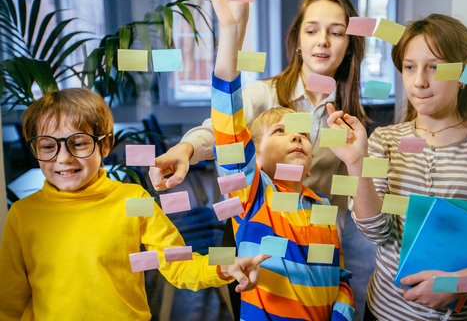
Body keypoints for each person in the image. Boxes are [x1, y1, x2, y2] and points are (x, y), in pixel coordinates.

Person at [327, 14, 467, 320]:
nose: (420, 81)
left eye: (434, 67)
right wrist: (356, 163)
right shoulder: (385, 140)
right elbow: (376, 231)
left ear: (463, 73)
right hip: (387, 312)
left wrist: (458, 284)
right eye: (409, 67)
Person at [0, 87, 269, 320]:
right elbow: (10, 301)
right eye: (47, 147)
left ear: (105, 146)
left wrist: (224, 266)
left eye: (78, 144)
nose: (63, 158)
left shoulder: (133, 200)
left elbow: (178, 263)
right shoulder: (24, 214)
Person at [148, 0, 368, 235]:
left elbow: (340, 196)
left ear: (348, 46)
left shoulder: (349, 119)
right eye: (311, 30)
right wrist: (184, 150)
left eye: (336, 33)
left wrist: (330, 254)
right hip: (255, 239)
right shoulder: (266, 94)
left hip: (312, 247)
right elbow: (219, 129)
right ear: (298, 41)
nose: (322, 40)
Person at [203, 0, 356, 320]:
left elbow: (341, 276)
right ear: (253, 156)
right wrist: (230, 32)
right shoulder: (252, 195)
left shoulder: (322, 210)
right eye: (280, 132)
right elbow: (225, 123)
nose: (296, 136)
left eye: (300, 132)